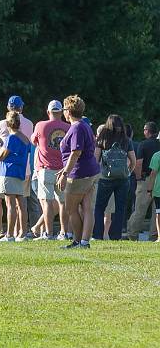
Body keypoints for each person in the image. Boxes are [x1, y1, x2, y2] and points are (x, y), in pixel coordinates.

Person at [56, 95, 100, 249]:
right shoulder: (85, 125)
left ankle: (77, 240)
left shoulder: (76, 127)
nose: (63, 112)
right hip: (91, 170)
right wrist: (64, 168)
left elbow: (76, 152)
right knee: (87, 208)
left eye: (64, 109)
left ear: (68, 110)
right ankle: (84, 242)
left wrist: (65, 173)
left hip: (79, 173)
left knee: (71, 208)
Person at [0, 95, 34, 239]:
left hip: (8, 172)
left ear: (8, 124)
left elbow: (0, 157)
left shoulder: (11, 138)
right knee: (22, 204)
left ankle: (9, 235)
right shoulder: (25, 138)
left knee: (10, 205)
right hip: (22, 172)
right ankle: (22, 233)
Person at [30, 100, 70, 240]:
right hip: (63, 170)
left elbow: (34, 141)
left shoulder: (40, 125)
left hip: (46, 169)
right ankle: (64, 232)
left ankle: (48, 233)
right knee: (63, 202)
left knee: (47, 201)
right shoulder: (68, 127)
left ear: (48, 112)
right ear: (61, 112)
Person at [93, 115, 136, 240]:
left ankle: (97, 235)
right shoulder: (126, 140)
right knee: (120, 208)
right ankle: (115, 236)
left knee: (100, 207)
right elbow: (133, 160)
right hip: (123, 179)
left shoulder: (102, 138)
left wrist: (100, 173)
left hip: (106, 178)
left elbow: (96, 160)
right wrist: (128, 172)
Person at [127, 121, 160, 241]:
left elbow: (138, 163)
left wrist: (138, 178)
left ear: (147, 131)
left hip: (146, 179)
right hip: (159, 180)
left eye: (144, 129)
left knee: (140, 209)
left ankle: (132, 234)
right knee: (156, 211)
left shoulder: (143, 144)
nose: (143, 131)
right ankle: (154, 235)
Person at [145, 149, 160, 241]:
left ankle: (159, 237)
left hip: (158, 190)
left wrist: (149, 189)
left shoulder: (157, 155)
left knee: (159, 213)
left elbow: (153, 173)